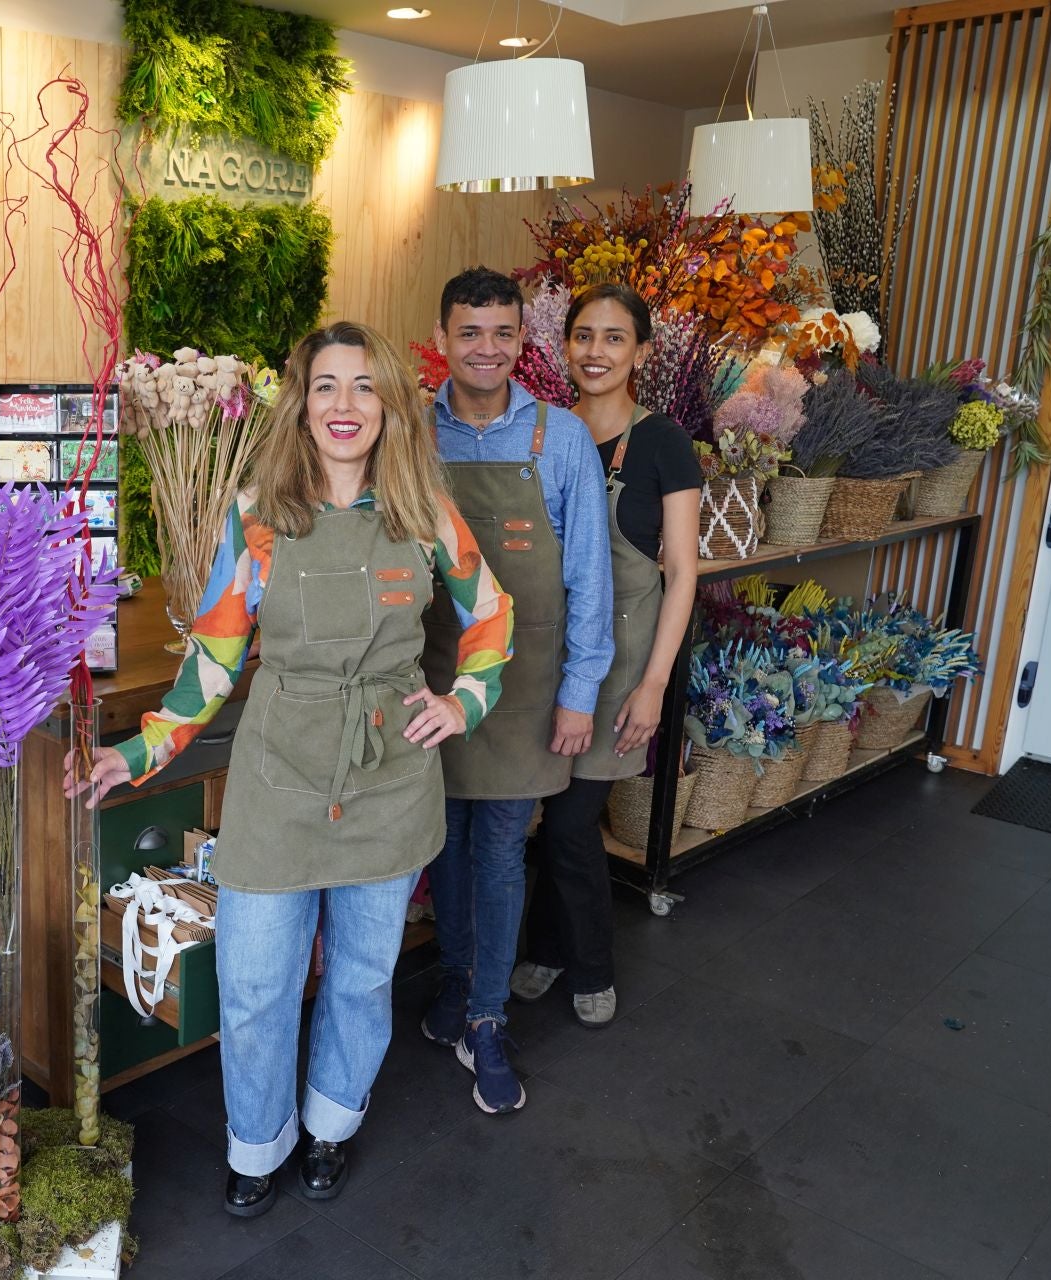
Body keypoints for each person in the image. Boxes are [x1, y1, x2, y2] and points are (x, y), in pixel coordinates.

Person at [68, 321, 514, 1217]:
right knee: (257, 978)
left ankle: (331, 1129)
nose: (343, 406)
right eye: (325, 387)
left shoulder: (425, 510)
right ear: (301, 406)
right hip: (279, 780)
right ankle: (256, 1143)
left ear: (389, 404)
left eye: (362, 387)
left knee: (358, 974)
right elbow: (214, 660)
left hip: (388, 778)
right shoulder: (258, 517)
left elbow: (492, 616)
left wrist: (460, 702)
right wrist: (139, 748)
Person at [420, 266, 612, 1115]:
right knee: (445, 843)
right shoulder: (410, 436)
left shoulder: (558, 438)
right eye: (471, 332)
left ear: (521, 343)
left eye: (503, 333)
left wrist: (580, 691)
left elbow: (589, 578)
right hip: (433, 680)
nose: (487, 349)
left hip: (526, 684)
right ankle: (460, 984)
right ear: (443, 338)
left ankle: (489, 1019)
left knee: (500, 849)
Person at [516, 284, 700, 1026]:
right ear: (564, 346)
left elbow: (682, 571)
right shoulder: (544, 433)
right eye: (583, 335)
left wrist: (654, 684)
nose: (596, 351)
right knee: (538, 814)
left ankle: (587, 964)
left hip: (620, 659)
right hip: (543, 654)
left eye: (614, 338)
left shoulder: (663, 444)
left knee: (568, 822)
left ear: (643, 353)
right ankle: (548, 945)